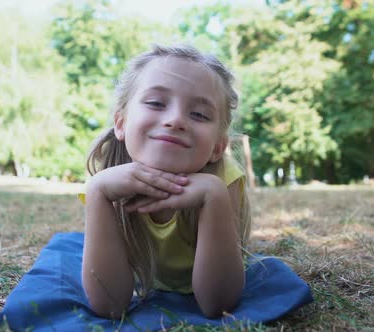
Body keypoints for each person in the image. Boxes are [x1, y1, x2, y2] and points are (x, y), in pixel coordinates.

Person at [79, 44, 251, 320]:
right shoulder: (107, 177)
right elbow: (109, 305)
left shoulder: (223, 179)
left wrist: (214, 196)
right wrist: (96, 192)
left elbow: (217, 304)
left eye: (199, 114)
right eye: (157, 103)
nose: (175, 120)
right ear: (121, 124)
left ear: (218, 147)